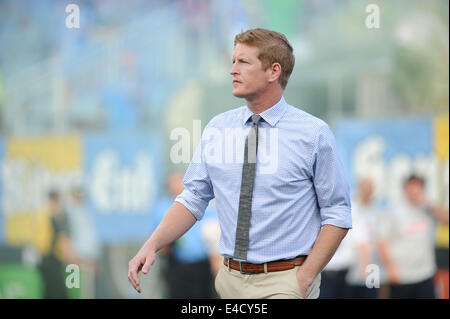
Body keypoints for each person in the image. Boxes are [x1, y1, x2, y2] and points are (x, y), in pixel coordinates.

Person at [128, 28, 352, 299]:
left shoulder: (313, 134)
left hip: (286, 283)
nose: (232, 70)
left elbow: (337, 212)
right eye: (233, 61)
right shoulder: (216, 129)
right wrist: (152, 245)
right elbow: (193, 198)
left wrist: (304, 277)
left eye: (243, 62)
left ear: (273, 71)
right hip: (228, 282)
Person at [378, 174, 449, 299]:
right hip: (402, 277)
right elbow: (381, 241)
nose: (415, 191)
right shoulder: (393, 211)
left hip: (426, 274)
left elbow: (446, 220)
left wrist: (428, 205)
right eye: (412, 187)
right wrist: (390, 267)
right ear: (405, 188)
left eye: (419, 187)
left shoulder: (428, 209)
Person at [151, 172, 219, 298]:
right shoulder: (162, 209)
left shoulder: (205, 206)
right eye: (175, 180)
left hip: (203, 266)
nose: (178, 184)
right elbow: (160, 247)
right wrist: (168, 242)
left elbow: (214, 234)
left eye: (180, 179)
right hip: (177, 266)